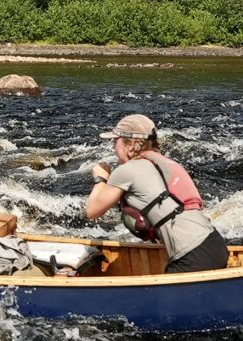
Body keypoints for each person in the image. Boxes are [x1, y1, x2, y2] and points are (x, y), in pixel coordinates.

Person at [84, 113, 229, 274]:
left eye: (115, 141)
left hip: (193, 255)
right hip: (215, 244)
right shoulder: (163, 162)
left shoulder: (127, 170)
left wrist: (100, 179)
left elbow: (92, 211)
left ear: (130, 145)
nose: (113, 147)